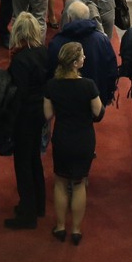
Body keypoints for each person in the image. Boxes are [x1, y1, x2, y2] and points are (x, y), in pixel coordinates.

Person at [43, 40, 104, 244]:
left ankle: (60, 227)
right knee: (79, 184)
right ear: (75, 63)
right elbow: (99, 112)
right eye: (82, 55)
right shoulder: (88, 85)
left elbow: (47, 114)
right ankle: (76, 230)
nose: (85, 57)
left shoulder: (52, 85)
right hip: (84, 138)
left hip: (62, 137)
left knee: (60, 182)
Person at [5, 12, 53, 229]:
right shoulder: (44, 52)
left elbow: (18, 94)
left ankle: (27, 213)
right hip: (41, 113)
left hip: (24, 116)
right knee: (34, 160)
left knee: (23, 164)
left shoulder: (20, 59)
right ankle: (38, 205)